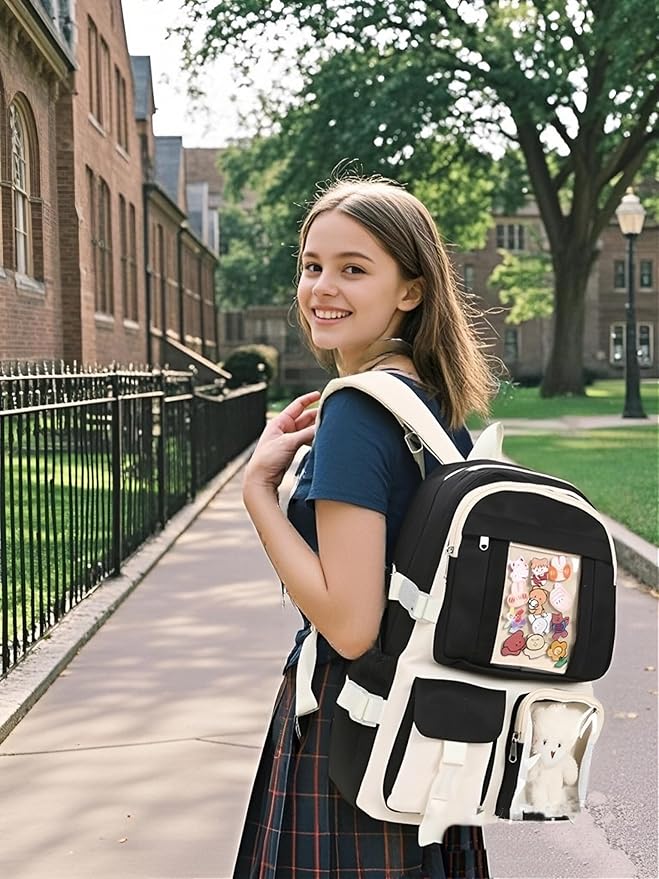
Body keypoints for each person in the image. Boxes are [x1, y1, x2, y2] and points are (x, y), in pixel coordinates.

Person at [234, 177, 497, 879]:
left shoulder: (356, 410)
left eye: (353, 269)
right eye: (312, 265)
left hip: (352, 742)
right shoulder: (431, 408)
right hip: (423, 731)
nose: (322, 287)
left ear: (409, 290)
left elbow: (349, 625)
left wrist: (258, 489)